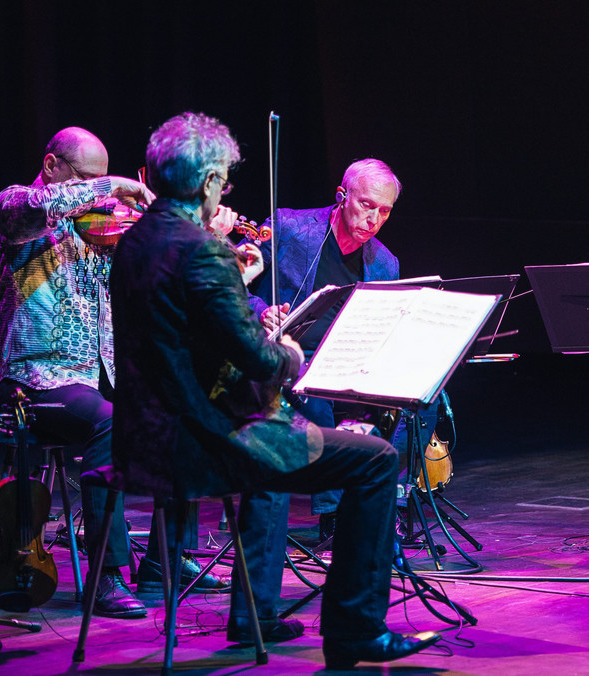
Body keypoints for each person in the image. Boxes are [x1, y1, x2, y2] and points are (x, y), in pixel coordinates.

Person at [109, 111, 439, 668]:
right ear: (208, 181)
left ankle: (253, 615)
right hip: (203, 441)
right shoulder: (201, 250)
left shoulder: (138, 241)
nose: (225, 195)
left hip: (144, 436)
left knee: (279, 458)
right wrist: (288, 351)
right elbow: (258, 357)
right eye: (224, 182)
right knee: (377, 461)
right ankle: (356, 627)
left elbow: (189, 335)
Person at [0, 126, 227, 619]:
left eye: (102, 180)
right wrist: (116, 183)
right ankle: (106, 574)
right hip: (35, 380)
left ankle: (164, 559)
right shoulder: (15, 208)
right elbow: (33, 212)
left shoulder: (103, 230)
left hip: (102, 377)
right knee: (109, 423)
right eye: (86, 177)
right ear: (52, 165)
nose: (99, 192)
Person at [246, 159, 436, 545]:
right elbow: (228, 274)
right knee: (314, 392)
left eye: (385, 211)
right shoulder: (288, 227)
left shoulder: (384, 261)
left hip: (351, 358)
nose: (374, 219)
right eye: (367, 205)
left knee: (428, 395)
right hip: (289, 354)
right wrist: (260, 311)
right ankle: (333, 516)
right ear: (341, 196)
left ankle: (388, 504)